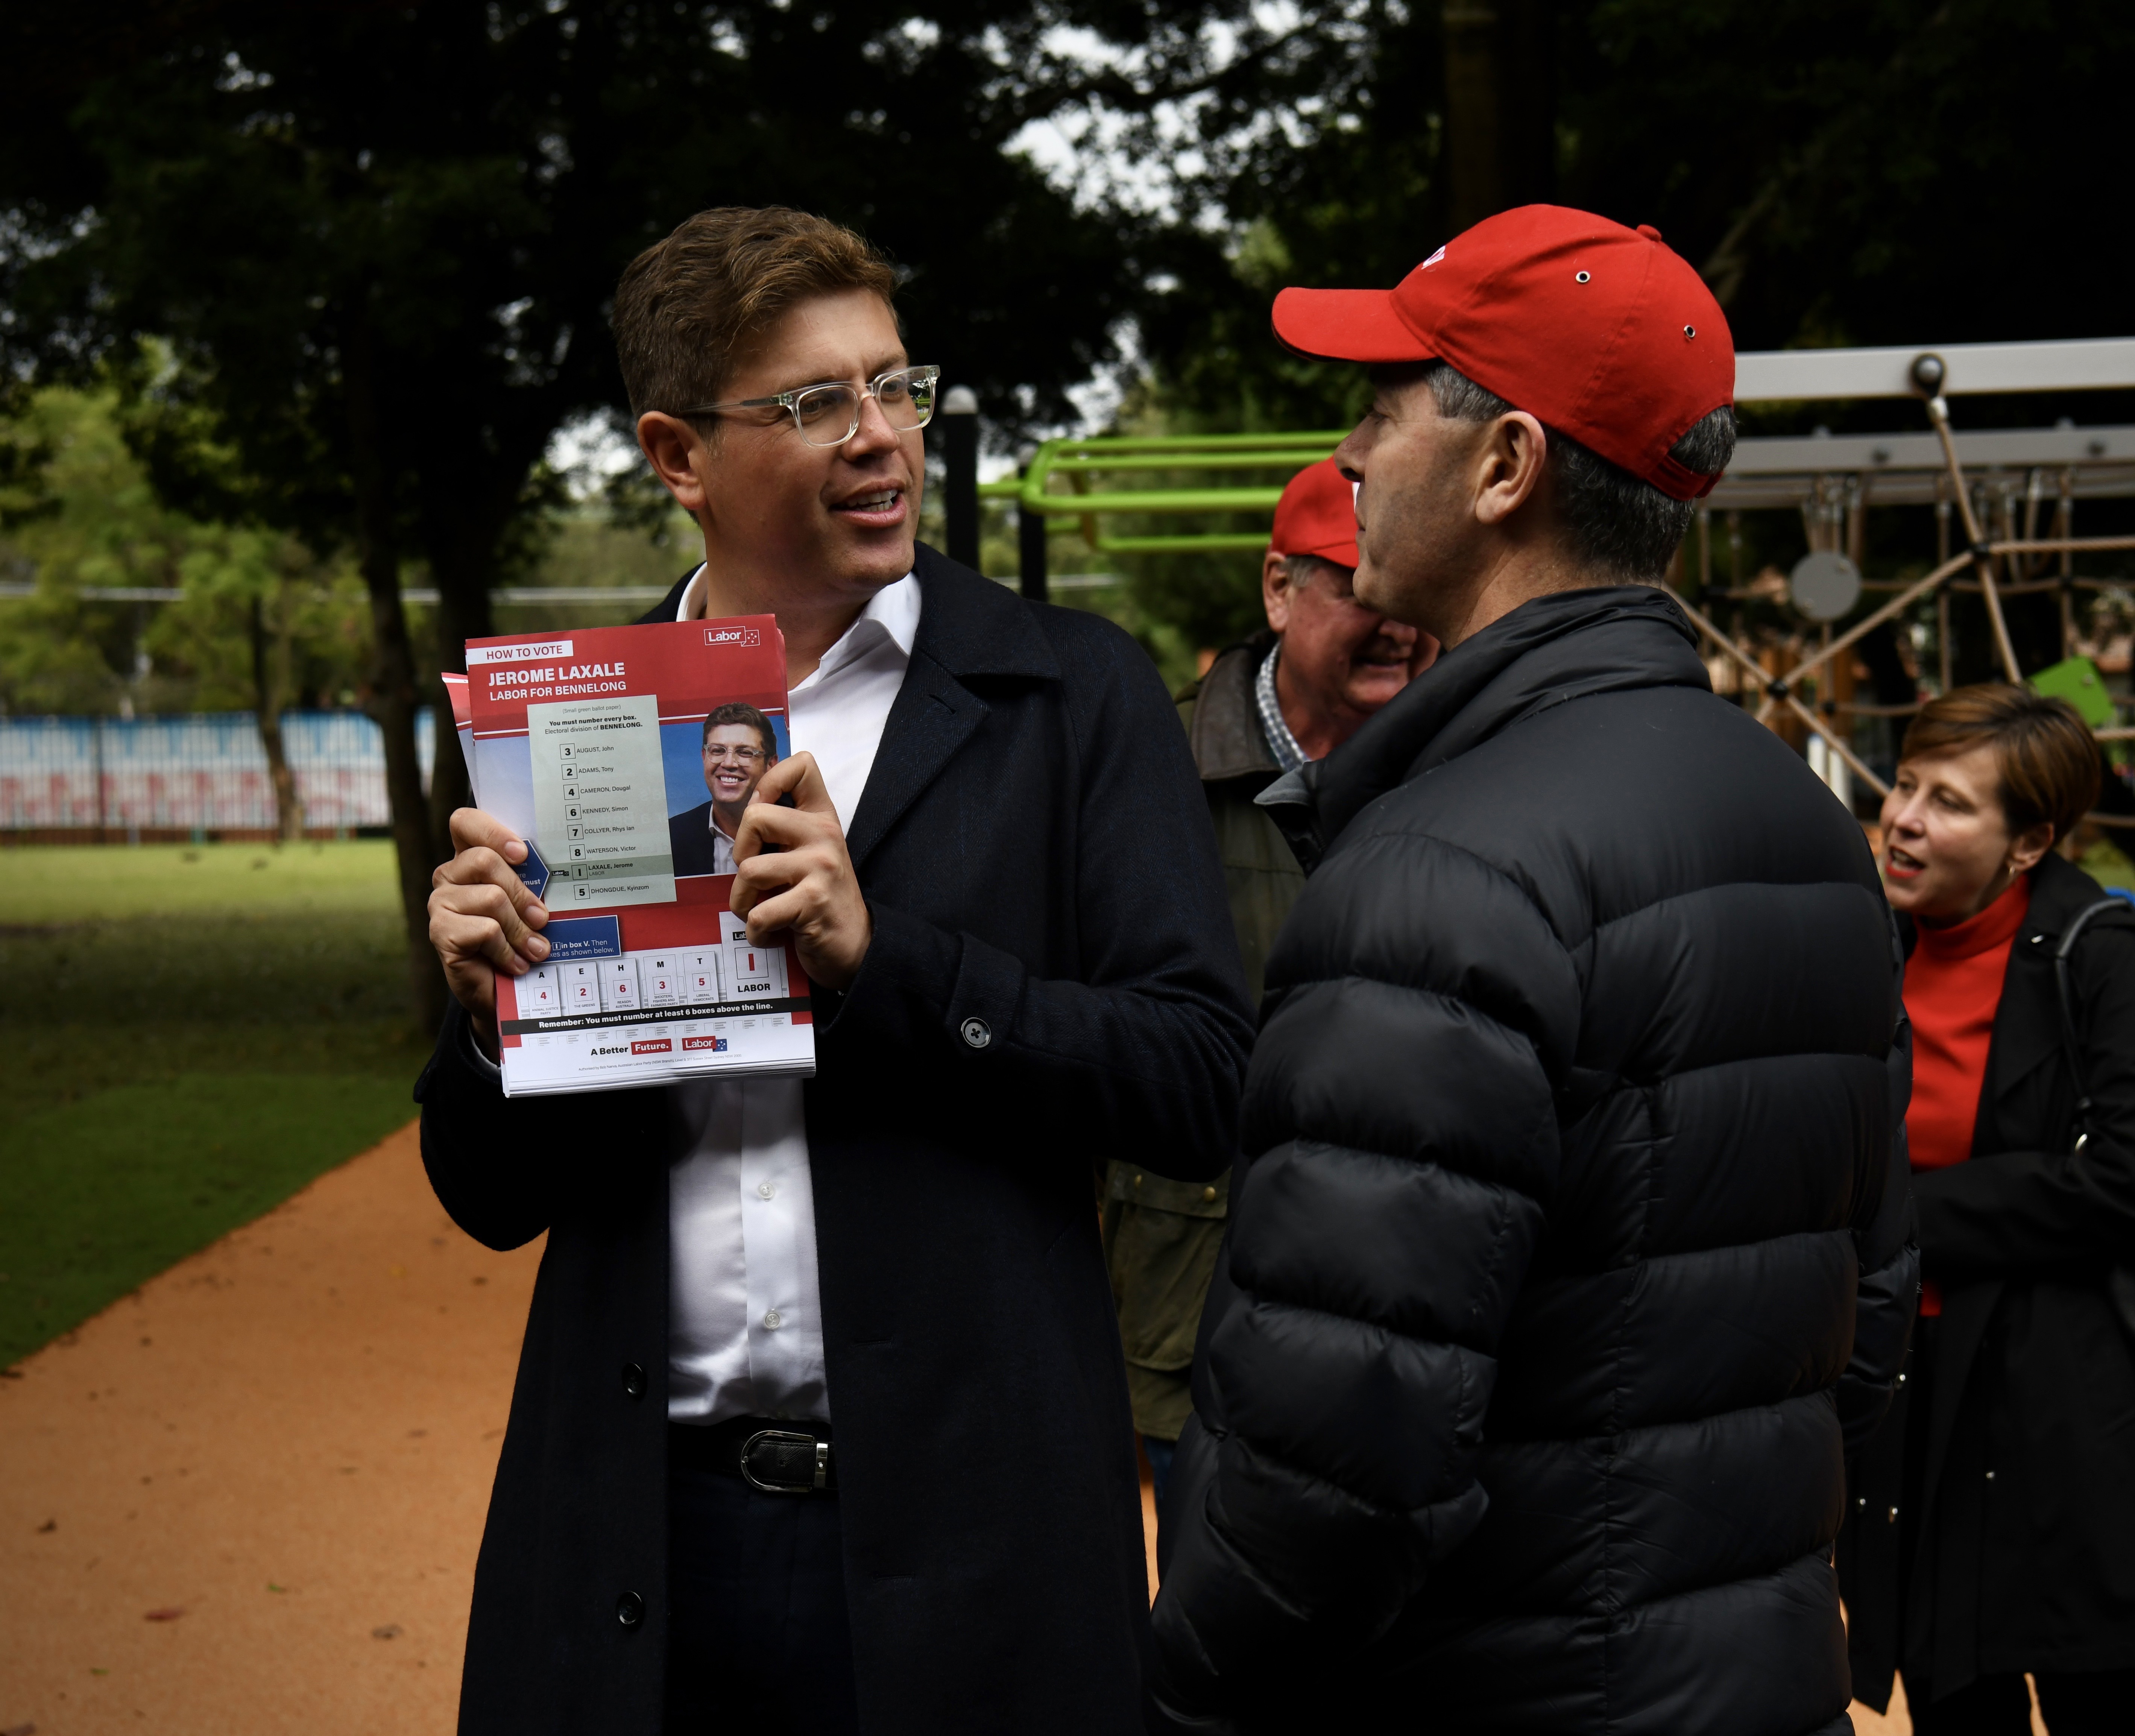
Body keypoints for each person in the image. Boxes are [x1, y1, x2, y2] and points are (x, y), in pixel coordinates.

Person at [415, 206, 1250, 1734]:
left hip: (975, 1541)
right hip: (638, 1550)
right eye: (814, 404)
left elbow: (1200, 1078)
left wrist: (892, 966)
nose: (883, 437)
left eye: (895, 384)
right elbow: (489, 1196)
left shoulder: (1067, 695)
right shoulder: (577, 735)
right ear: (678, 457)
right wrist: (487, 1027)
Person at [1146, 204, 1917, 1735]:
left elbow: (1336, 1459)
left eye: (1381, 406)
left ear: (1504, 465)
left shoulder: (1442, 864)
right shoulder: (1805, 823)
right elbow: (1866, 1314)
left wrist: (1182, 1691)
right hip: (1742, 1673)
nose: (1351, 453)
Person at [1839, 684, 2135, 1735]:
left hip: (2068, 1406)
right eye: (1907, 783)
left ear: (2029, 842)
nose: (1907, 816)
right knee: (1954, 1703)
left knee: (2100, 1698)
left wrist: (1906, 1217)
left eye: (1952, 802)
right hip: (1912, 1400)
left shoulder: (2105, 952)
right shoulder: (1864, 947)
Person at [1102, 457, 1435, 1508]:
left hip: (1420, 1305)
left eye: (1410, 588)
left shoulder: (1475, 768)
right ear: (1278, 587)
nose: (1393, 618)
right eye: (1356, 583)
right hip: (1195, 1306)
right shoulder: (1146, 768)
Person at [668, 700, 778, 875]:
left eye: (745, 752)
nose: (729, 763)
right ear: (704, 756)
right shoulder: (672, 836)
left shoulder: (794, 833)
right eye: (718, 751)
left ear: (771, 764)